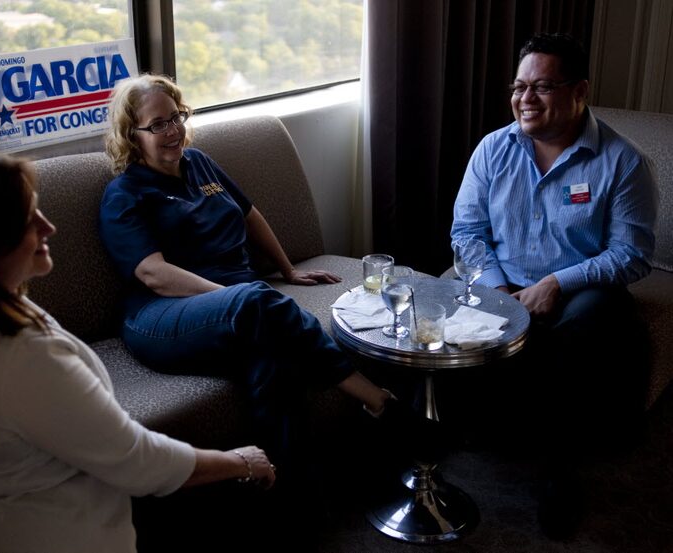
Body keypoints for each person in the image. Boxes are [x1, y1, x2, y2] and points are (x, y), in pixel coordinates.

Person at [0, 150, 276, 553]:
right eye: (28, 219)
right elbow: (139, 461)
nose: (48, 227)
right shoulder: (19, 356)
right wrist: (241, 461)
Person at [98, 74, 413, 482]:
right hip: (160, 317)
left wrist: (288, 270)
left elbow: (249, 213)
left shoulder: (200, 164)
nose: (173, 130)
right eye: (157, 125)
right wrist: (234, 298)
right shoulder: (123, 194)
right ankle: (376, 398)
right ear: (132, 134)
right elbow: (153, 274)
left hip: (237, 302)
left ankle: (285, 484)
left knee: (269, 357)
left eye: (176, 117)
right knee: (254, 304)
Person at [451, 33, 658, 538]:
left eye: (543, 86)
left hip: (583, 290)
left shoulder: (623, 162)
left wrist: (556, 283)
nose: (525, 99)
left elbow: (630, 255)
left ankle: (559, 471)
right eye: (520, 86)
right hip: (503, 283)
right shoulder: (492, 150)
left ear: (579, 90)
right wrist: (497, 289)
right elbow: (466, 232)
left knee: (581, 332)